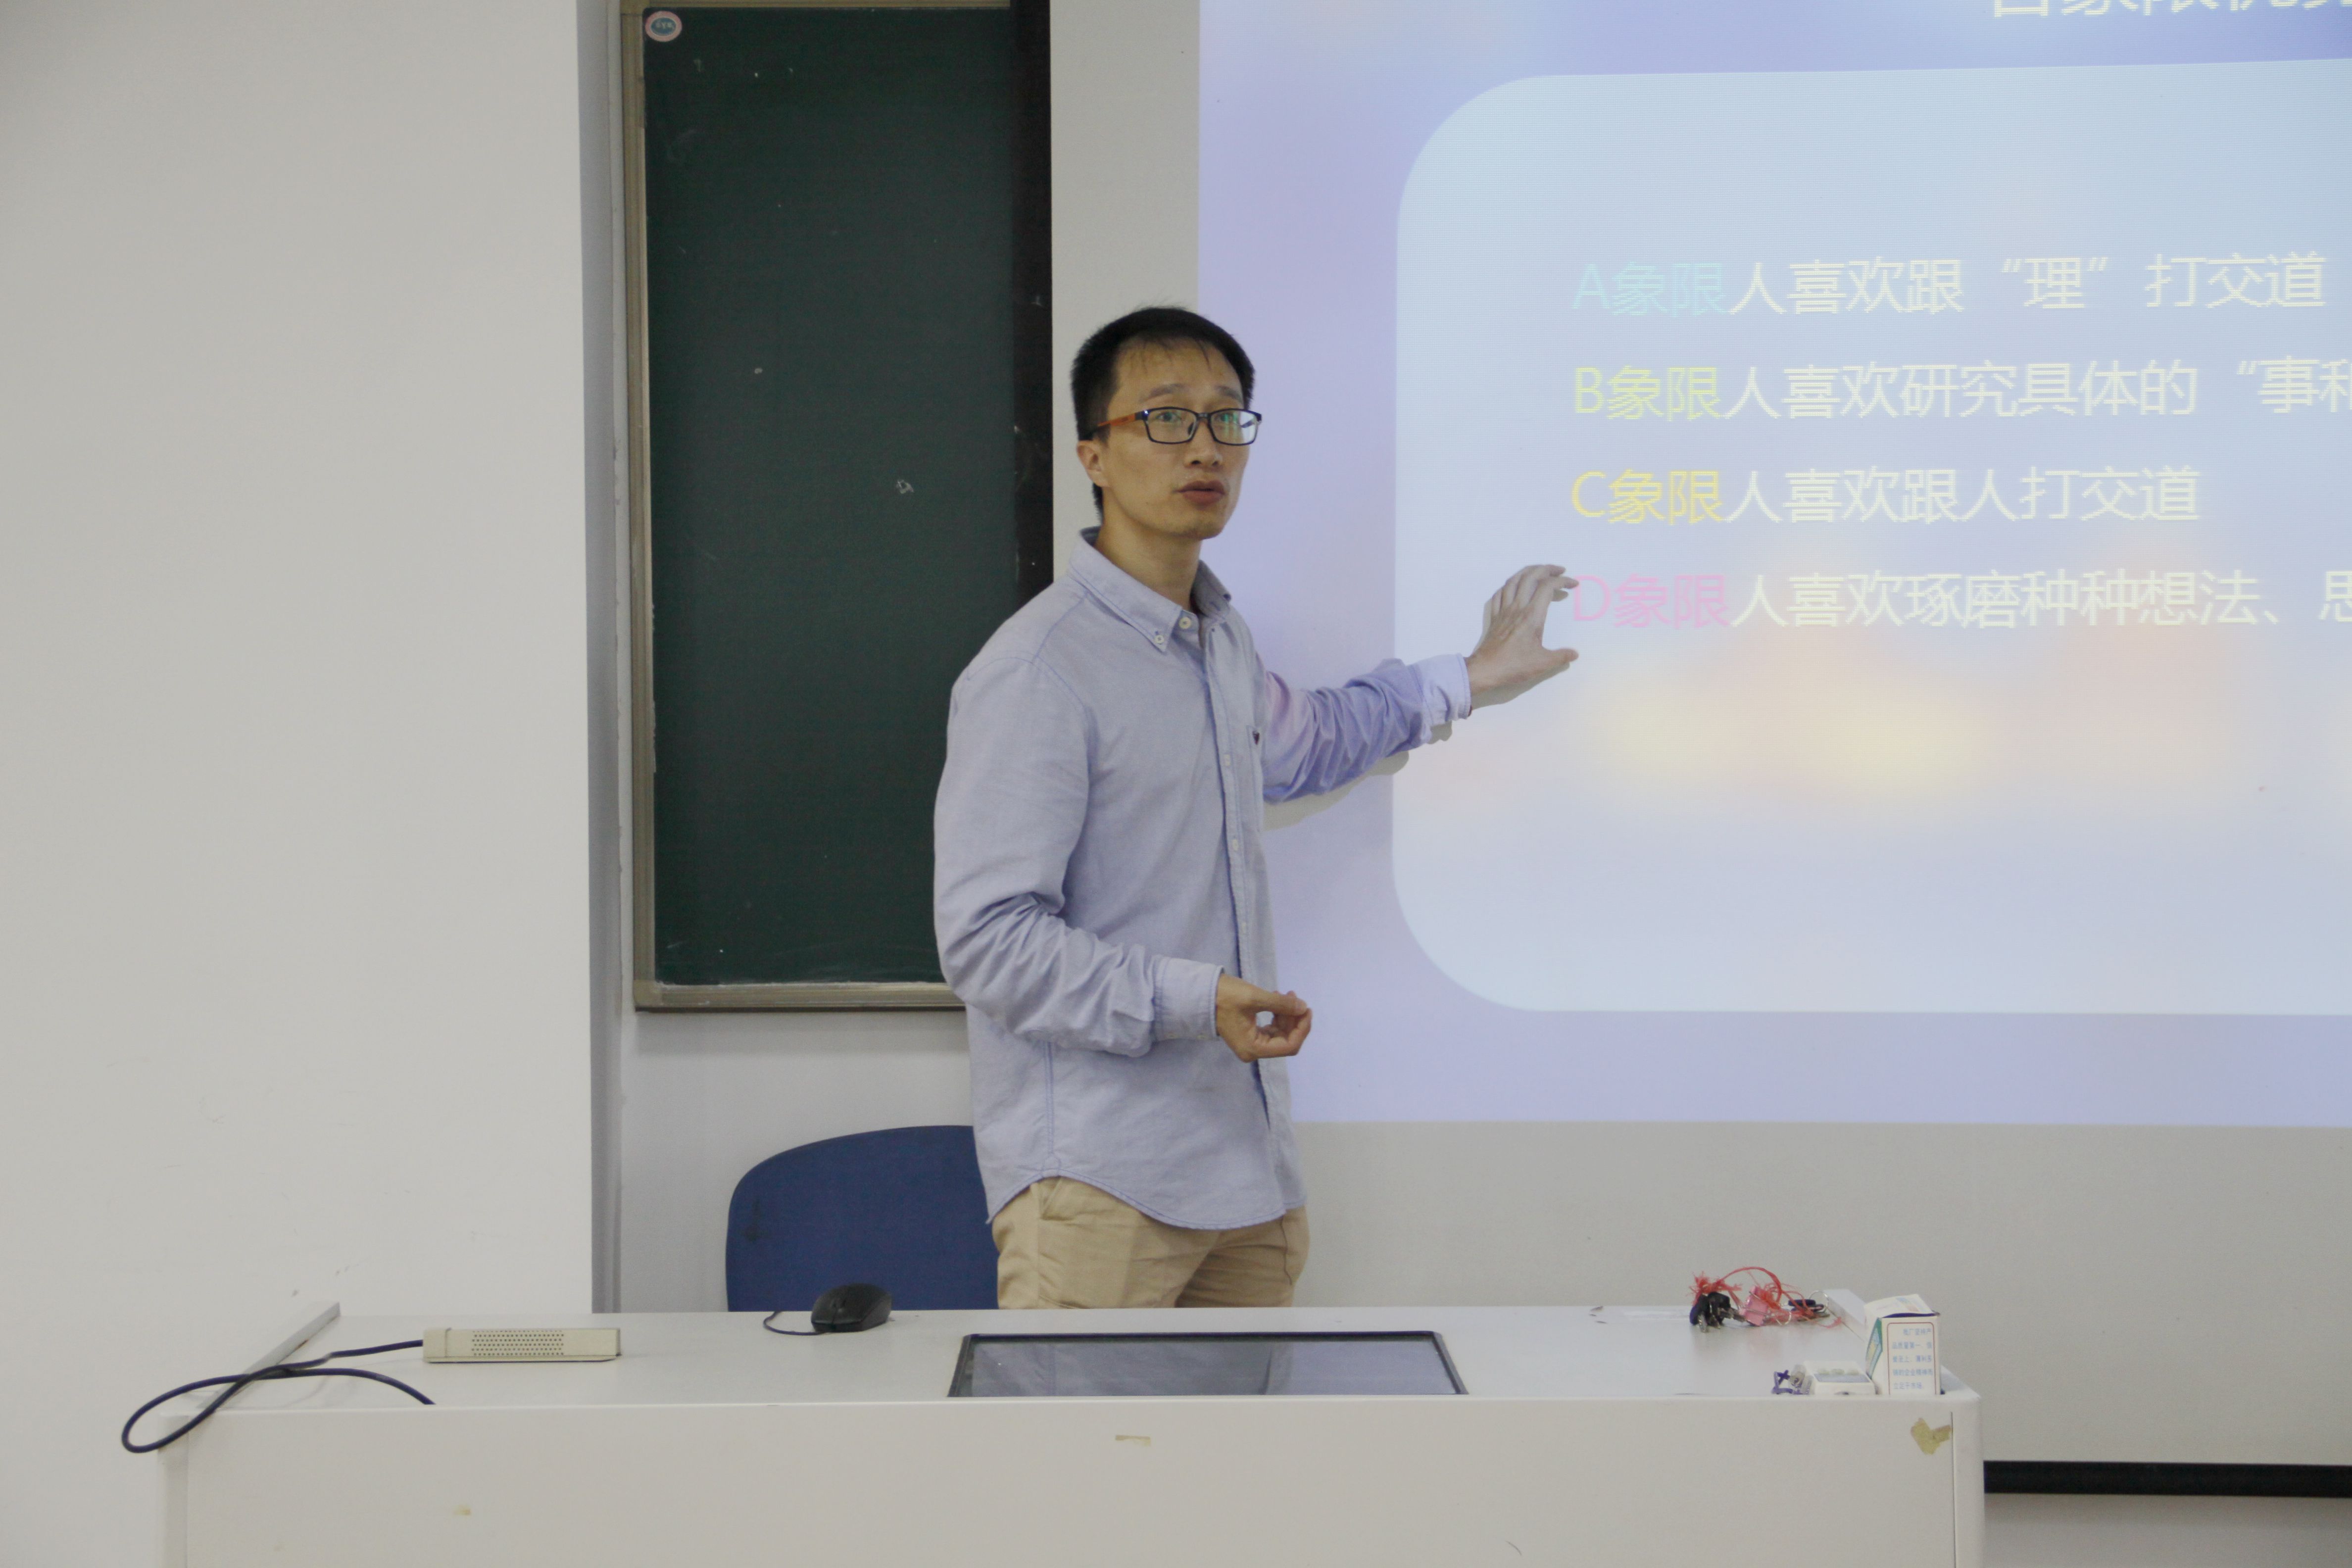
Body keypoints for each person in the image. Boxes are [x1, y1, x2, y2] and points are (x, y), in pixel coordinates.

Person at [933, 307, 1576, 1309]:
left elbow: (1308, 738)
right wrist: (1198, 999)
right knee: (1082, 1426)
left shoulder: (1217, 639)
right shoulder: (1039, 671)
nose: (1205, 448)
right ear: (1093, 456)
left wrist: (1470, 675)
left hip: (1245, 1179)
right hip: (1100, 1187)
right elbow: (988, 943)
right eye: (1166, 418)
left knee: (1253, 1423)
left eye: (1228, 419)